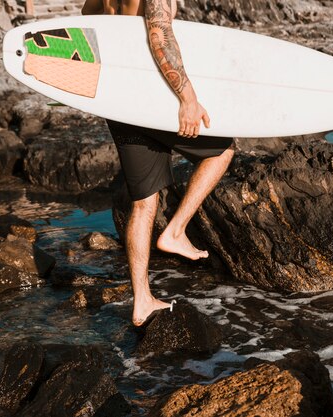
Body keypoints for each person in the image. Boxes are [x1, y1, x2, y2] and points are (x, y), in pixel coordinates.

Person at [82, 0, 235, 326]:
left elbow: (90, 19)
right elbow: (160, 36)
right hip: (150, 98)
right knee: (222, 152)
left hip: (120, 102)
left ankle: (142, 301)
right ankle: (175, 231)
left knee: (144, 203)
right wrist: (188, 99)